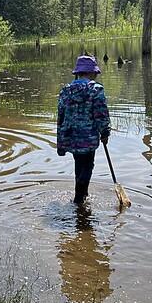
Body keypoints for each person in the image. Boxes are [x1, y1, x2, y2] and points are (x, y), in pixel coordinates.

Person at [56, 55, 111, 204]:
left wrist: (60, 141)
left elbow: (60, 117)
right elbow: (101, 114)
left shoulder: (65, 91)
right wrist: (105, 132)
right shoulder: (95, 90)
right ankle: (79, 199)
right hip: (88, 138)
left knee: (79, 165)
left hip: (71, 137)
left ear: (77, 73)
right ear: (92, 73)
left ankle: (82, 196)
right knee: (87, 166)